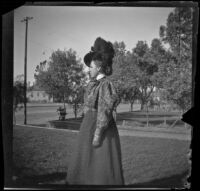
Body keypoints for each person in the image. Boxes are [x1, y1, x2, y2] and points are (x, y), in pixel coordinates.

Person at [66, 37, 124, 185]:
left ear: (98, 67)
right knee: (86, 165)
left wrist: (97, 135)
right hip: (89, 127)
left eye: (90, 67)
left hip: (101, 131)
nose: (88, 69)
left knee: (100, 167)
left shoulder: (105, 84)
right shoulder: (94, 83)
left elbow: (104, 110)